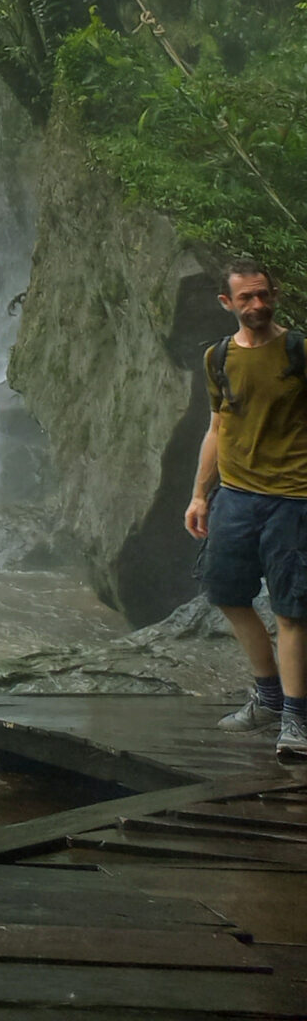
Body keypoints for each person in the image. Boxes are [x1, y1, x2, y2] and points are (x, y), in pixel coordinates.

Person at [184, 256, 307, 759]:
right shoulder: (217, 358)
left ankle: (297, 719)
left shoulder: (299, 350)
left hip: (294, 499)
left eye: (263, 294)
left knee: (292, 610)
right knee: (227, 595)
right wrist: (199, 494)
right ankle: (269, 698)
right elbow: (218, 427)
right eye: (245, 297)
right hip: (234, 497)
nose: (257, 304)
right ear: (227, 302)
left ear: (274, 295)